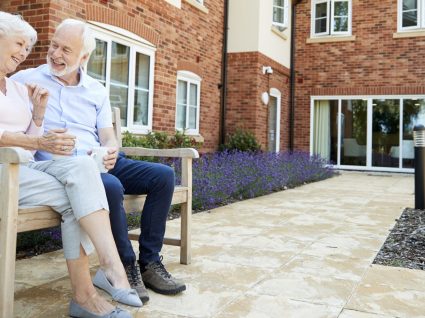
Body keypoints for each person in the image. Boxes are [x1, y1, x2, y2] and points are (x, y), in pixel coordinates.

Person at [12, 18, 186, 303]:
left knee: (163, 175)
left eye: (66, 50)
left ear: (84, 56)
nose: (56, 54)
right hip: (64, 168)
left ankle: (150, 263)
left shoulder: (96, 89)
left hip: (99, 160)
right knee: (111, 186)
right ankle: (124, 265)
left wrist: (111, 149)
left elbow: (107, 134)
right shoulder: (25, 80)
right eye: (54, 45)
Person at [0, 12, 142, 317]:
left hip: (24, 171)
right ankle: (86, 295)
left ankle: (109, 265)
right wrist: (39, 144)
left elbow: (28, 138)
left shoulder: (13, 87)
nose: (25, 53)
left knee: (82, 170)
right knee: (79, 196)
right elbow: (26, 143)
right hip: (4, 171)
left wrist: (37, 117)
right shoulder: (22, 80)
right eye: (20, 44)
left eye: (28, 47)